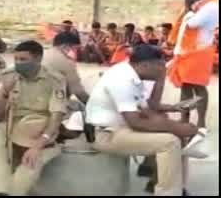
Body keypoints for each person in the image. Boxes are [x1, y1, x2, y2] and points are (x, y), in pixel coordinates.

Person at [87, 44, 203, 196]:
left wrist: (175, 121)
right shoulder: (122, 79)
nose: (164, 69)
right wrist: (177, 128)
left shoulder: (130, 73)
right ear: (146, 64)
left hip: (118, 128)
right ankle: (168, 193)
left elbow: (149, 110)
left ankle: (171, 186)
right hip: (105, 134)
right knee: (169, 142)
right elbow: (136, 122)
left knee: (172, 131)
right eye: (161, 66)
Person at [0, 40, 67, 196]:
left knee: (32, 160)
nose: (18, 64)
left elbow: (57, 116)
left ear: (38, 59)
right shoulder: (9, 76)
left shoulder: (55, 79)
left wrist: (38, 145)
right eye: (16, 59)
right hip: (11, 126)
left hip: (40, 130)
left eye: (23, 60)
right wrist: (4, 92)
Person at [168, 0, 218, 137]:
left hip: (199, 53)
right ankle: (184, 120)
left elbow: (192, 24)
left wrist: (188, 7)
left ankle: (201, 123)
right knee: (185, 87)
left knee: (198, 87)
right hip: (187, 53)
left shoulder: (211, 7)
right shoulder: (199, 6)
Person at [43, 32, 90, 104]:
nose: (76, 52)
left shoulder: (44, 54)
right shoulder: (66, 61)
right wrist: (92, 104)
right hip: (52, 103)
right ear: (66, 46)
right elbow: (79, 92)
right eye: (75, 49)